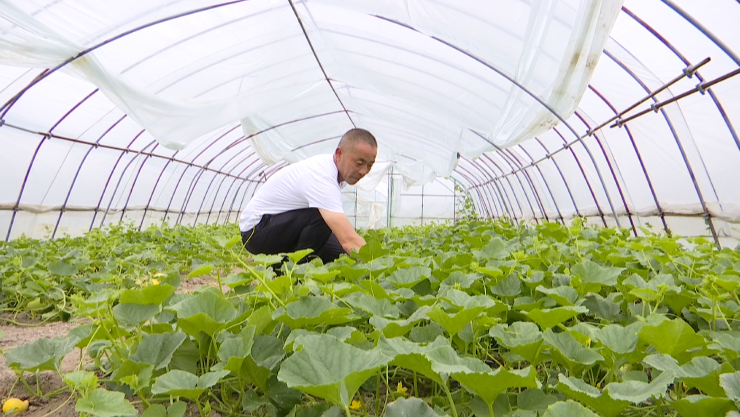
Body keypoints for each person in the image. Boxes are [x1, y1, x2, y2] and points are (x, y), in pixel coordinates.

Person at [239, 128, 377, 264]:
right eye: (359, 163)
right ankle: (294, 274)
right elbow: (348, 239)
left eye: (369, 165)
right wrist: (379, 264)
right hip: (256, 231)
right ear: (339, 154)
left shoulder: (337, 172)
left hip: (278, 224)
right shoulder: (322, 176)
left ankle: (282, 265)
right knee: (321, 216)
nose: (363, 171)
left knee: (340, 254)